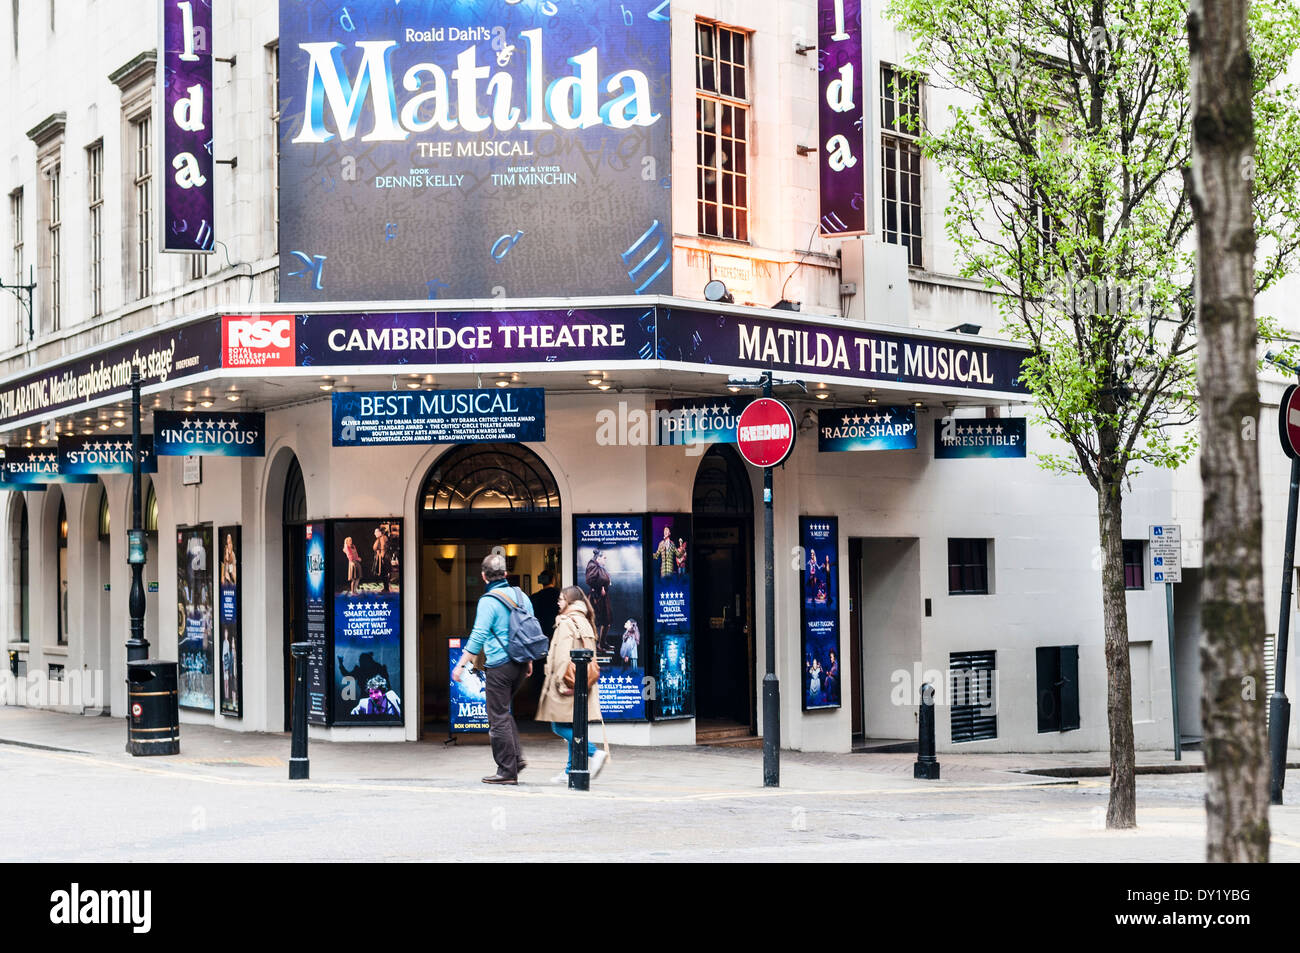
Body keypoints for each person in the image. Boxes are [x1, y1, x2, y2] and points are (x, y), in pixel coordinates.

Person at [452, 553, 535, 784]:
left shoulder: (488, 601)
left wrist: (460, 666)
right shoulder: (522, 597)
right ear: (506, 574)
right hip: (520, 665)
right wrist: (528, 661)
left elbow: (478, 637)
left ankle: (507, 771)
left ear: (483, 576)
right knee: (503, 711)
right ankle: (516, 759)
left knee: (497, 716)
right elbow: (529, 631)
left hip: (500, 665)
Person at [536, 586, 607, 784]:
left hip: (567, 682)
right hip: (582, 682)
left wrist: (559, 683)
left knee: (558, 726)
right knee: (573, 724)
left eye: (561, 599)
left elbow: (561, 656)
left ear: (569, 601)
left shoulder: (567, 623)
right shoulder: (585, 621)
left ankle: (593, 752)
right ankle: (570, 769)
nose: (558, 602)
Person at [584, 549, 612, 651]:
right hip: (596, 597)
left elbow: (606, 579)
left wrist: (604, 585)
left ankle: (602, 643)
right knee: (596, 621)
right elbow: (590, 580)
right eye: (604, 558)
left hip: (602, 597)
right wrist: (601, 587)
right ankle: (597, 645)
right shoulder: (592, 565)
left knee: (606, 621)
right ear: (598, 558)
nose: (605, 561)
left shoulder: (599, 567)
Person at [531, 570, 559, 638]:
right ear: (553, 580)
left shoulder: (534, 597)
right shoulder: (560, 596)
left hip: (540, 632)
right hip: (556, 631)